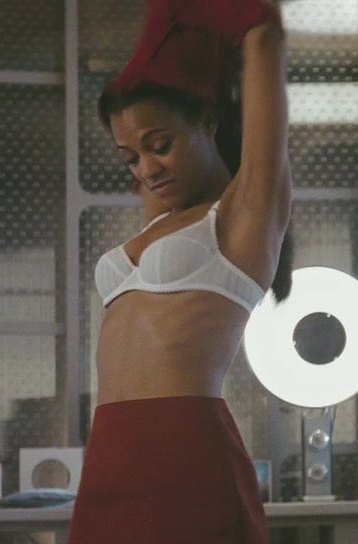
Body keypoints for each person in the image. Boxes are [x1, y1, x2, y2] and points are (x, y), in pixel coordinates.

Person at [68, 1, 292, 542]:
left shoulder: (242, 217)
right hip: (108, 456)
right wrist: (159, 29)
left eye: (160, 146)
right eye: (131, 158)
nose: (147, 169)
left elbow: (264, 37)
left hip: (186, 455)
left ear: (208, 124)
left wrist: (244, 24)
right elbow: (144, 108)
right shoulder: (162, 219)